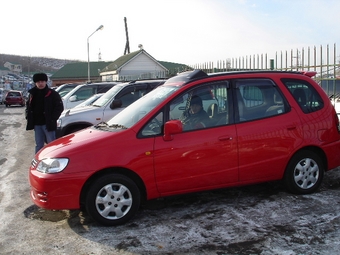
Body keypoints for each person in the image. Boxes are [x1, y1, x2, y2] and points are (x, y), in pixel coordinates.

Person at [25, 73, 64, 153]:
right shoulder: (32, 94)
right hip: (37, 124)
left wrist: (53, 119)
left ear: (46, 82)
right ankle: (39, 162)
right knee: (39, 145)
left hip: (48, 124)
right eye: (38, 82)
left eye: (42, 81)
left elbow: (59, 107)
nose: (40, 83)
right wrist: (27, 116)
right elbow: (28, 107)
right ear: (35, 83)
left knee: (52, 144)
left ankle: (53, 160)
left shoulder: (52, 94)